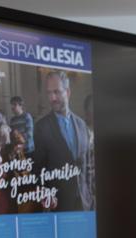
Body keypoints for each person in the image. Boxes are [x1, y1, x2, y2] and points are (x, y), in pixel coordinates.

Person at [32, 71, 93, 212]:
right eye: (49, 93)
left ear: (68, 92)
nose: (52, 98)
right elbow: (38, 169)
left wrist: (90, 197)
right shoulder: (41, 127)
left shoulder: (81, 125)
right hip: (59, 206)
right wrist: (46, 194)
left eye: (57, 92)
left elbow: (87, 165)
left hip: (85, 205)